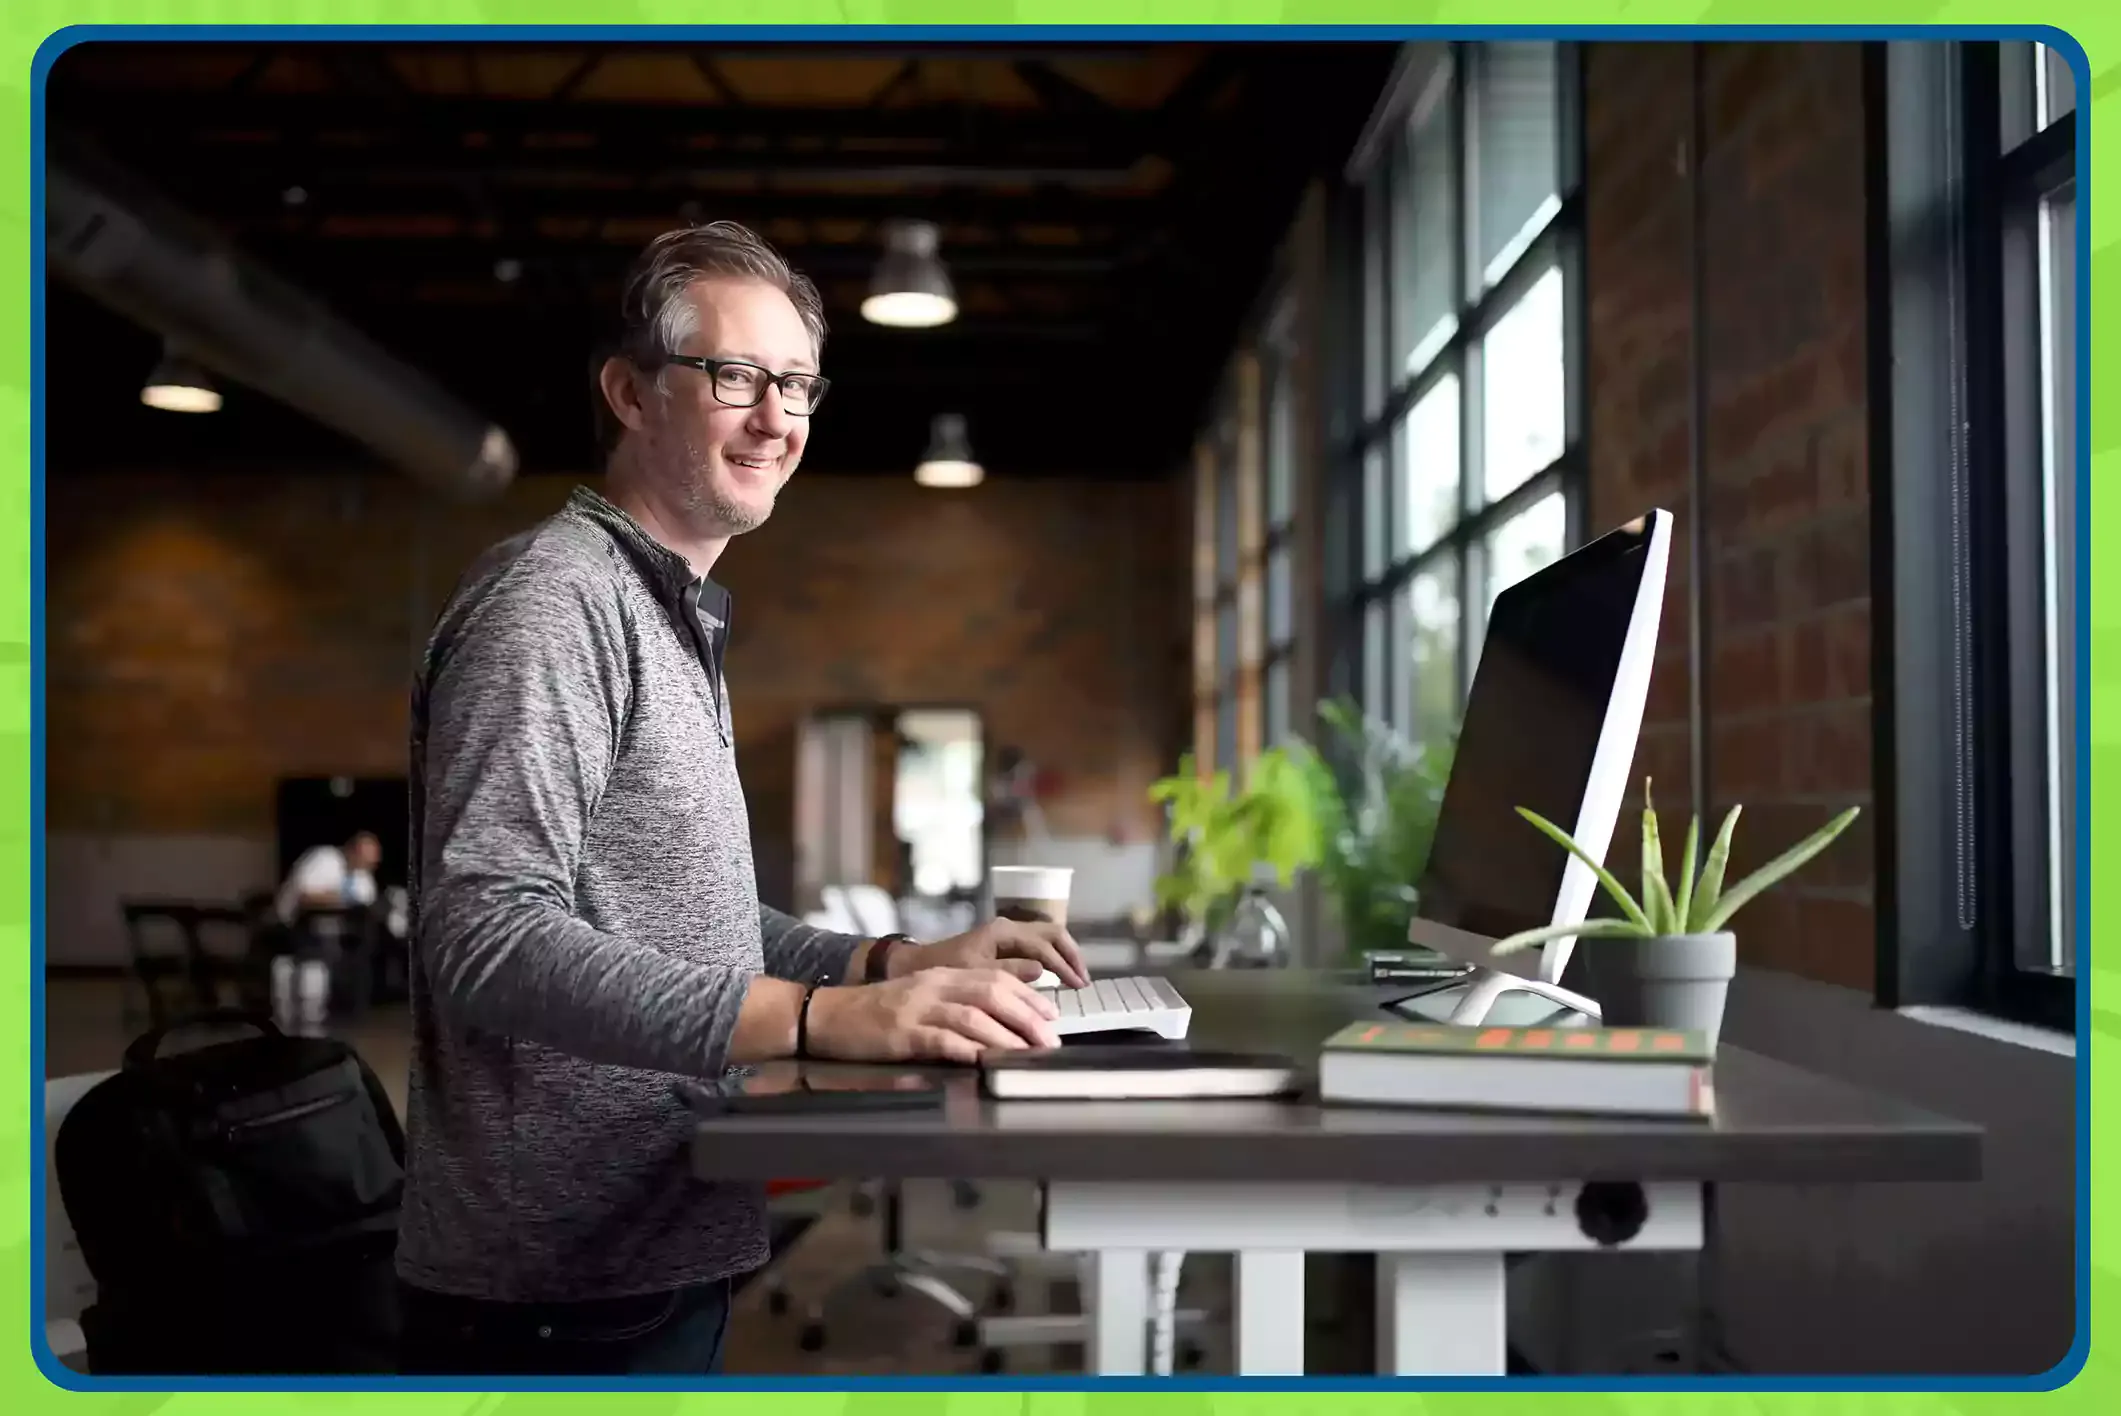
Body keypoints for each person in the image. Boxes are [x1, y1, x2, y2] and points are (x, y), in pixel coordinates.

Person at [394, 220, 1092, 1377]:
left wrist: (884, 968)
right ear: (629, 391)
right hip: (554, 1284)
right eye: (735, 377)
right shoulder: (555, 605)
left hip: (652, 1237)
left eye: (799, 385)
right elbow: (482, 937)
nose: (776, 418)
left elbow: (686, 925)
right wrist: (817, 1021)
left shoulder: (669, 614)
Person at [274, 830, 381, 924]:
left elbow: (367, 903)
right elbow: (306, 898)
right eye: (365, 858)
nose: (369, 865)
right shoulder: (323, 858)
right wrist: (343, 900)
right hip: (292, 924)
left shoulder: (363, 875)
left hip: (336, 930)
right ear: (352, 850)